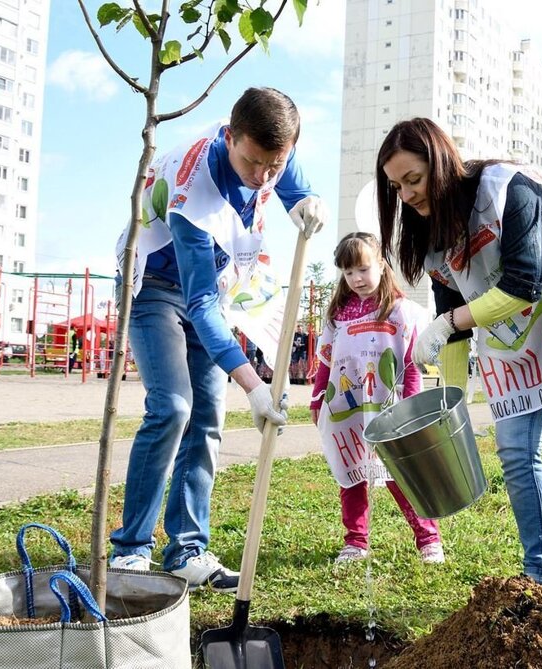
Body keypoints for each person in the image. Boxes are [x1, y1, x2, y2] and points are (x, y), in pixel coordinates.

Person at [375, 118, 542, 601]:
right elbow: (452, 322)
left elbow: (522, 284)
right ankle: (537, 575)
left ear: (443, 163)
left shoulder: (506, 188)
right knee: (515, 450)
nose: (406, 194)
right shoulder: (431, 236)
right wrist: (445, 408)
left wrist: (448, 325)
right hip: (517, 322)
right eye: (396, 186)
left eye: (414, 179)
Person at [109, 87, 328, 591]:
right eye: (254, 164)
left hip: (217, 289)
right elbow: (200, 305)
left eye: (276, 165)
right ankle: (131, 551)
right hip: (156, 287)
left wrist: (304, 197)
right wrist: (254, 384)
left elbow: (288, 178)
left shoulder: (271, 150)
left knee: (207, 416)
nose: (263, 177)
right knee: (173, 408)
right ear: (230, 138)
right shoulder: (195, 191)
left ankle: (186, 548)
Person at [309, 232, 444, 564]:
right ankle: (356, 542)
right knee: (350, 471)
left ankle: (429, 539)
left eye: (363, 269)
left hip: (391, 408)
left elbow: (410, 363)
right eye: (348, 271)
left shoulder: (400, 311)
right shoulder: (337, 315)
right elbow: (326, 360)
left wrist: (410, 406)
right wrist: (316, 399)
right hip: (347, 408)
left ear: (382, 266)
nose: (356, 279)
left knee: (402, 475)